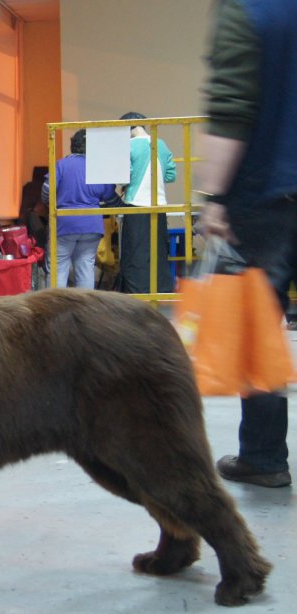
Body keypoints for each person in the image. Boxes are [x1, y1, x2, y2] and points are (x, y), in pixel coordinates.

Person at [197, 0, 295, 488]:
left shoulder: (248, 10)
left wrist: (214, 198)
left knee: (261, 331)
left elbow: (232, 106)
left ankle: (264, 456)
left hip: (268, 195)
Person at [40, 129, 118, 289]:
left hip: (64, 224)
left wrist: (49, 203)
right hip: (92, 225)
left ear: (72, 146)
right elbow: (110, 197)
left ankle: (54, 310)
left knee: (58, 269)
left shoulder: (62, 164)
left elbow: (47, 190)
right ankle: (85, 310)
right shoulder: (98, 167)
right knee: (85, 268)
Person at [118, 112, 177, 294]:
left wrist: (126, 186)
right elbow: (171, 175)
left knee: (135, 254)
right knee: (158, 252)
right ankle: (161, 290)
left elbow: (123, 175)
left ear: (129, 127)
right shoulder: (161, 144)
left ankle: (138, 293)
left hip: (136, 205)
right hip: (159, 205)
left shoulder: (128, 146)